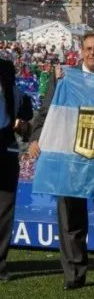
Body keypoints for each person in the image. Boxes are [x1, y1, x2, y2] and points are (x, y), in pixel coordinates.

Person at [27, 29, 94, 289]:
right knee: (71, 217)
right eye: (88, 49)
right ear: (80, 51)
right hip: (69, 156)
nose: (93, 54)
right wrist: (35, 138)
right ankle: (74, 274)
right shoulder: (64, 76)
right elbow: (46, 109)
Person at [0, 57, 32, 282]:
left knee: (4, 208)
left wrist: (20, 122)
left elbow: (24, 108)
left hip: (5, 146)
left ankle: (0, 263)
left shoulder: (6, 68)